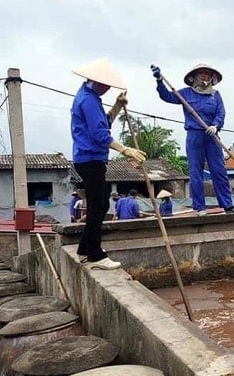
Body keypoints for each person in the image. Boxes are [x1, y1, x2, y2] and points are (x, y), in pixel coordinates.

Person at [71, 57, 146, 270]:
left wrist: (117, 106)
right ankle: (95, 253)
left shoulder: (89, 97)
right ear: (98, 82)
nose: (107, 89)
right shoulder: (87, 99)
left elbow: (105, 122)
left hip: (90, 159)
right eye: (106, 86)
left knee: (101, 203)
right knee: (99, 204)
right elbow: (99, 134)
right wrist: (125, 150)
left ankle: (84, 248)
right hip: (90, 158)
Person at [151, 63, 234, 216]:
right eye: (202, 73)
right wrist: (159, 80)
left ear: (212, 77)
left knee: (219, 170)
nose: (205, 76)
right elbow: (166, 96)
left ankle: (228, 205)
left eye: (207, 74)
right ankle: (200, 207)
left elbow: (221, 113)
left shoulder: (215, 95)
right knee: (195, 172)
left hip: (211, 135)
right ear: (195, 77)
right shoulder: (186, 93)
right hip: (194, 135)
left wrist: (216, 125)